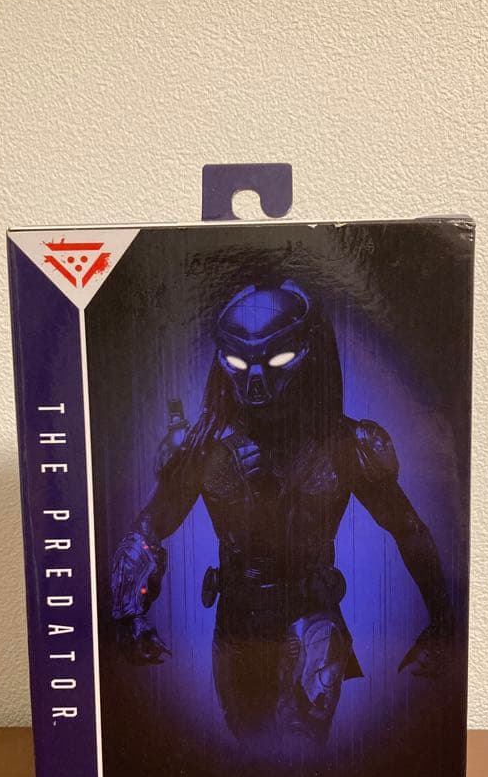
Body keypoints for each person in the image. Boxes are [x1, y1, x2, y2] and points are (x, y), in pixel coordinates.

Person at [111, 280, 453, 747]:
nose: (255, 380)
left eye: (276, 359)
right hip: (236, 626)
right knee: (250, 745)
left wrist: (442, 621)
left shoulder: (346, 445)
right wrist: (129, 610)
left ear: (308, 353)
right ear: (222, 360)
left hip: (310, 620)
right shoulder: (204, 448)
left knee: (297, 747)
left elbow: (407, 529)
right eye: (239, 363)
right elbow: (151, 525)